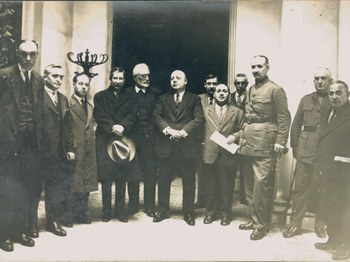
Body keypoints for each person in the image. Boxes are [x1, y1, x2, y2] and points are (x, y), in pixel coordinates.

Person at [238, 55, 291, 240]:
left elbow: (284, 118)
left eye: (259, 66)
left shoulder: (275, 90)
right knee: (250, 185)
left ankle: (261, 225)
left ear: (267, 67)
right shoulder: (251, 89)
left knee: (262, 185)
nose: (256, 70)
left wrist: (280, 141)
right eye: (253, 67)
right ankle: (254, 220)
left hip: (266, 142)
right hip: (248, 140)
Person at [0, 40, 43, 251]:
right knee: (8, 189)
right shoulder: (4, 75)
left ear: (36, 55)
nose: (28, 59)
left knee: (26, 188)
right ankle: (4, 235)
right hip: (8, 144)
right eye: (24, 54)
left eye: (32, 54)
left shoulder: (38, 79)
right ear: (17, 54)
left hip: (30, 145)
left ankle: (21, 231)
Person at [283, 68, 331, 239]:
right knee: (300, 189)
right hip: (305, 150)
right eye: (317, 78)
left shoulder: (335, 99)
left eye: (323, 78)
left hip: (326, 152)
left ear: (330, 80)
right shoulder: (305, 100)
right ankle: (295, 225)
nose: (320, 81)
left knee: (324, 188)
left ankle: (320, 224)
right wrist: (296, 147)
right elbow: (296, 124)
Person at [153, 70, 204, 226]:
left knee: (189, 181)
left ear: (185, 81)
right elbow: (156, 116)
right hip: (166, 145)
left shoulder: (194, 99)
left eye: (178, 78)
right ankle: (162, 209)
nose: (174, 80)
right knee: (163, 179)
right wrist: (169, 130)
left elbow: (198, 118)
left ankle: (188, 212)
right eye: (172, 78)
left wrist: (182, 132)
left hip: (186, 146)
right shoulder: (162, 98)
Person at [94, 67, 140, 223]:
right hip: (105, 139)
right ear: (110, 78)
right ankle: (106, 212)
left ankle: (120, 212)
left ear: (124, 80)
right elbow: (99, 114)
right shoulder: (99, 96)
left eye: (121, 79)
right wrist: (113, 127)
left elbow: (133, 114)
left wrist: (123, 126)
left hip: (123, 140)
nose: (118, 81)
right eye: (115, 78)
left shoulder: (131, 97)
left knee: (121, 178)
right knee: (106, 179)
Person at [314, 80, 350, 261]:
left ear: (347, 95)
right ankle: (333, 239)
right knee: (330, 205)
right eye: (331, 93)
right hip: (327, 169)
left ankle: (344, 246)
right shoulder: (327, 113)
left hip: (345, 172)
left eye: (339, 93)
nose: (334, 97)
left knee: (344, 208)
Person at [202, 83, 244, 226]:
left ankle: (226, 215)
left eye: (224, 91)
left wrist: (236, 136)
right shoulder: (205, 110)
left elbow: (244, 129)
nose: (221, 93)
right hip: (210, 152)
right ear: (214, 94)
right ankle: (210, 213)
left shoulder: (237, 112)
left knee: (227, 185)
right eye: (218, 91)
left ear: (228, 94)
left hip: (227, 153)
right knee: (210, 185)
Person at [40, 64, 75, 236]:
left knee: (55, 188)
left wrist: (69, 148)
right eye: (55, 76)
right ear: (45, 77)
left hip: (58, 153)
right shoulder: (37, 96)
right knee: (34, 189)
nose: (59, 79)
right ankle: (30, 225)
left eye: (61, 77)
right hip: (40, 151)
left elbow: (68, 127)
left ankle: (53, 222)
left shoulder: (63, 99)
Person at [125, 63, 160, 217]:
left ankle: (149, 206)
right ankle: (133, 205)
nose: (146, 78)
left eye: (148, 75)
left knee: (150, 173)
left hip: (150, 140)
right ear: (134, 78)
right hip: (132, 140)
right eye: (142, 76)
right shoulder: (127, 93)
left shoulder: (156, 93)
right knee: (132, 173)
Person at [66, 72, 98, 225]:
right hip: (76, 148)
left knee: (86, 182)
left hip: (89, 149)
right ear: (74, 84)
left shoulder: (90, 105)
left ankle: (81, 214)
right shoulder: (67, 104)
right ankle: (69, 215)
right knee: (74, 182)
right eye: (80, 84)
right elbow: (66, 129)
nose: (84, 87)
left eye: (86, 84)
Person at [196, 73, 218, 209]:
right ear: (205, 85)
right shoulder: (199, 99)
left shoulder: (222, 97)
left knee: (215, 172)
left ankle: (214, 201)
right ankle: (201, 199)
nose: (212, 86)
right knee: (201, 170)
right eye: (209, 84)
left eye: (214, 84)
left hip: (217, 139)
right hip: (202, 138)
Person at [230, 73, 249, 205]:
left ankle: (245, 197)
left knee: (245, 167)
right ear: (234, 84)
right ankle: (228, 196)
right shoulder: (229, 97)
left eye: (243, 83)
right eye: (238, 83)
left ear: (247, 84)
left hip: (245, 136)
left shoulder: (251, 97)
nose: (240, 85)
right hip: (231, 136)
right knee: (230, 166)